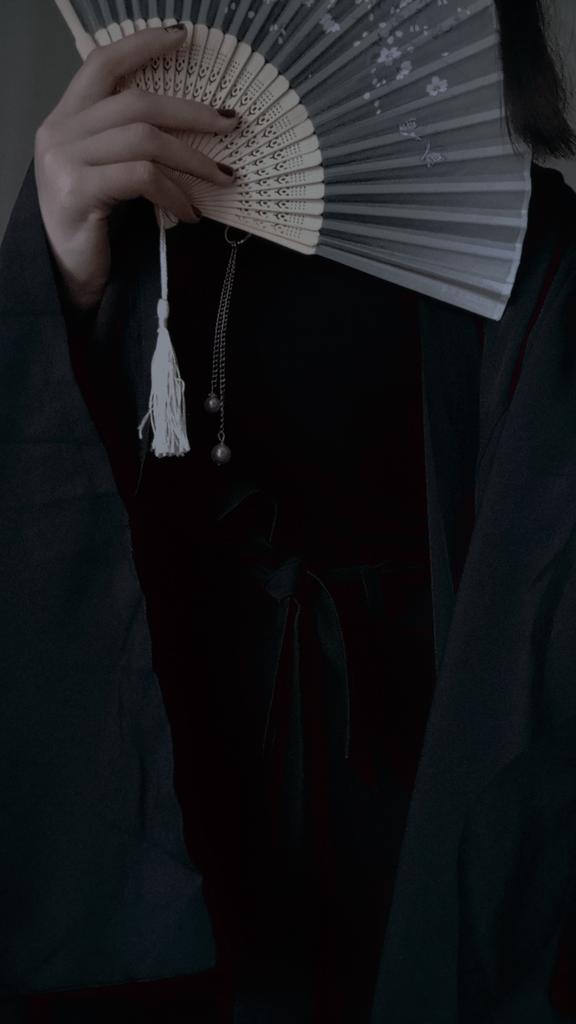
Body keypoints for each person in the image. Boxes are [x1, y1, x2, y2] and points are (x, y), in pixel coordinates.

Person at [1, 3, 576, 1022]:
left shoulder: (526, 245)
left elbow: (537, 610)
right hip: (177, 758)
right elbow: (51, 514)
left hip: (412, 761)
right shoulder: (125, 196)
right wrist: (63, 274)